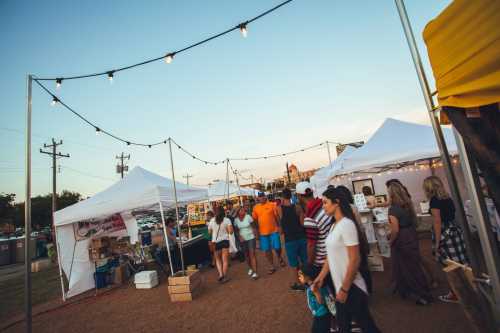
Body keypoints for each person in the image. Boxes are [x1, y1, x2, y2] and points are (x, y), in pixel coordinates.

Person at [314, 187, 380, 333]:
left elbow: (355, 259)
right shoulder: (333, 225)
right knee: (346, 326)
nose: (323, 206)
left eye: (325, 202)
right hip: (342, 287)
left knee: (366, 326)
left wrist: (344, 288)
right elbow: (330, 258)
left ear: (336, 202)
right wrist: (320, 277)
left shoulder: (346, 224)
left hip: (352, 287)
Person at [423, 176, 468, 303]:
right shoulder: (447, 197)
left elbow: (437, 221)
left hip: (445, 233)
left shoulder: (434, 200)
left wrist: (437, 243)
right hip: (455, 231)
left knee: (449, 265)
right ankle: (466, 289)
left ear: (428, 187)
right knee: (460, 262)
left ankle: (456, 293)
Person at [387, 181, 433, 305]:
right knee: (414, 266)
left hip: (402, 238)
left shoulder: (393, 209)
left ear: (391, 194)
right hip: (411, 235)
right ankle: (423, 291)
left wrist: (390, 240)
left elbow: (395, 229)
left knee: (407, 268)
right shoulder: (407, 206)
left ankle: (420, 295)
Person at [296, 182, 333, 271]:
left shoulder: (310, 217)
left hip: (323, 262)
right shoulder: (326, 204)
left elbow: (311, 245)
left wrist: (309, 263)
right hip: (334, 253)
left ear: (299, 196)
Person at [278, 188, 308, 291]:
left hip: (290, 240)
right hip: (301, 237)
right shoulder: (298, 207)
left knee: (293, 264)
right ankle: (308, 280)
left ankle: (297, 283)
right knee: (305, 260)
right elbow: (302, 223)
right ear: (291, 196)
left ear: (282, 197)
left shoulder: (279, 209)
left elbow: (280, 227)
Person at [252, 192, 285, 274]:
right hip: (263, 233)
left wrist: (280, 227)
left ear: (265, 197)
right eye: (260, 197)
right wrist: (256, 231)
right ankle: (271, 265)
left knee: (277, 247)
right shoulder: (255, 208)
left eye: (263, 196)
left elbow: (277, 217)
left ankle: (279, 257)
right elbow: (255, 220)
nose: (261, 198)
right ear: (258, 198)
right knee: (267, 250)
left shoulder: (272, 204)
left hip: (274, 231)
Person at [299, 264, 333, 333]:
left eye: (300, 275)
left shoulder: (315, 287)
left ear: (307, 277)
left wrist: (316, 293)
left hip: (322, 315)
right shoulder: (312, 285)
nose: (299, 277)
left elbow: (321, 302)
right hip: (319, 314)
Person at [208, 207, 234, 283]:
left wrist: (214, 230)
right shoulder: (227, 220)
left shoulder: (212, 220)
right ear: (223, 212)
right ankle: (224, 276)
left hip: (215, 242)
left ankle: (220, 274)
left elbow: (209, 232)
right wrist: (226, 229)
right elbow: (231, 232)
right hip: (225, 241)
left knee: (218, 260)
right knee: (225, 260)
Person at [234, 207, 259, 280]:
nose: (243, 211)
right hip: (243, 239)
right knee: (247, 256)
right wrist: (240, 237)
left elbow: (253, 226)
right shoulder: (236, 220)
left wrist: (256, 235)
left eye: (243, 210)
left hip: (251, 237)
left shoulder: (248, 217)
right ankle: (250, 268)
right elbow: (236, 230)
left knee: (252, 254)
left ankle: (255, 273)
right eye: (241, 210)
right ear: (238, 212)